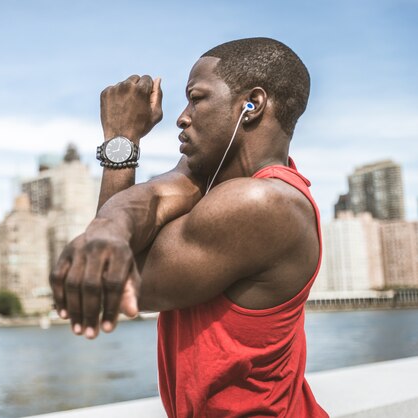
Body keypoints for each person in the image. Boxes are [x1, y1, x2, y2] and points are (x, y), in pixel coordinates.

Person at [50, 37, 328, 417]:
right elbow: (150, 198)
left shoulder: (260, 203)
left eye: (196, 98)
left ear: (252, 105)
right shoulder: (211, 182)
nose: (181, 116)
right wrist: (107, 234)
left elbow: (116, 287)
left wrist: (122, 139)